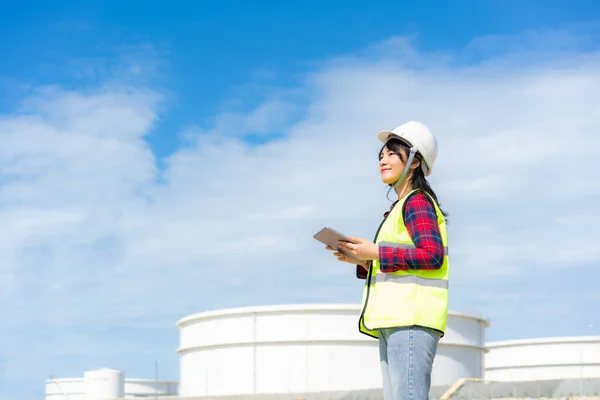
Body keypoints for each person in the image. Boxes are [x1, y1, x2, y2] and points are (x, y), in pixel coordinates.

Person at [326, 121, 449, 400]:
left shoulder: (417, 202)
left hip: (411, 319)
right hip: (395, 319)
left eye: (393, 153)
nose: (383, 159)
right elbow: (410, 260)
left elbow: (432, 255)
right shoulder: (399, 208)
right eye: (381, 155)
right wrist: (364, 260)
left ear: (415, 162)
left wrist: (376, 253)